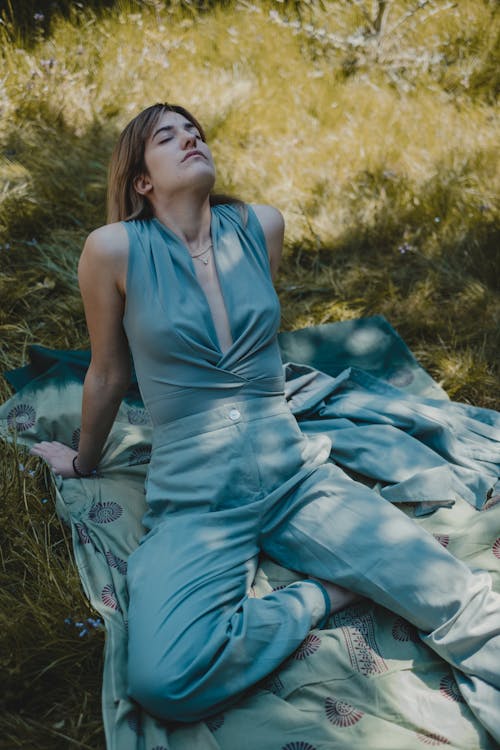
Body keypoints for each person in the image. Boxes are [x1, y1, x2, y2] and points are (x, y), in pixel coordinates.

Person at [30, 103, 500, 740]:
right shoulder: (112, 250)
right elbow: (109, 374)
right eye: (167, 137)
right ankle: (326, 596)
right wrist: (84, 462)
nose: (190, 137)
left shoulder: (261, 225)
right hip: (197, 504)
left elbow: (257, 355)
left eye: (194, 129)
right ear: (141, 180)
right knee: (164, 679)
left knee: (457, 597)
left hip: (296, 480)